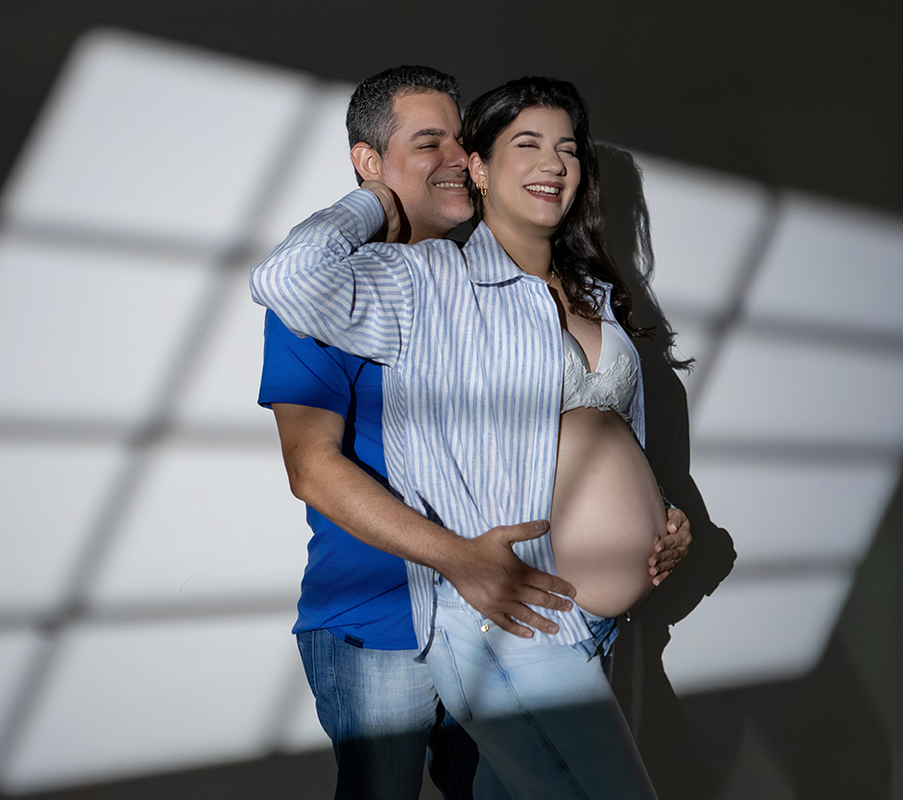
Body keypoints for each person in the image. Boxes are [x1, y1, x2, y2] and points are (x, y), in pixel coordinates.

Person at [259, 67, 688, 799]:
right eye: (430, 143)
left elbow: (592, 437)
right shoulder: (409, 284)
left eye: (461, 139)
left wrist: (658, 514)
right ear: (369, 160)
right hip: (408, 608)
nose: (456, 158)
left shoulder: (568, 290)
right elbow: (312, 466)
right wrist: (374, 200)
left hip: (566, 608)